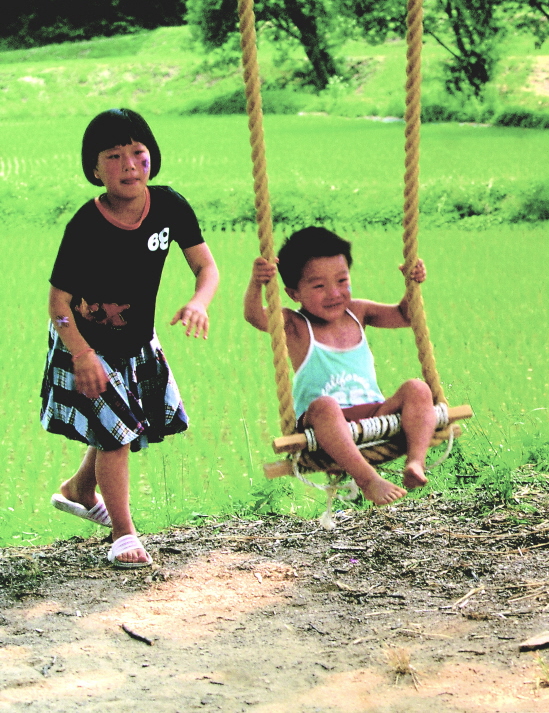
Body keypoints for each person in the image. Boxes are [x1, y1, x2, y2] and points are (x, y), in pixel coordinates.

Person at [43, 108, 219, 568]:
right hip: (84, 342)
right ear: (94, 168)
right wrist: (81, 355)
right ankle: (123, 535)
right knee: (116, 437)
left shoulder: (169, 207)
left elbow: (206, 267)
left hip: (137, 342)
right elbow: (58, 305)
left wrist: (199, 302)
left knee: (117, 428)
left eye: (138, 153)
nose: (129, 165)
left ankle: (80, 490)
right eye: (114, 156)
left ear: (152, 157)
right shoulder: (86, 225)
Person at [244, 227, 437, 506]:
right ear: (293, 292)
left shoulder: (358, 311)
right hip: (322, 422)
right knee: (324, 405)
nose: (334, 293)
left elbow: (406, 315)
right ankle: (368, 478)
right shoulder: (295, 324)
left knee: (417, 388)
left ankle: (416, 464)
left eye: (342, 281)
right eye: (319, 286)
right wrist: (256, 283)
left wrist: (412, 284)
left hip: (372, 412)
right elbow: (254, 316)